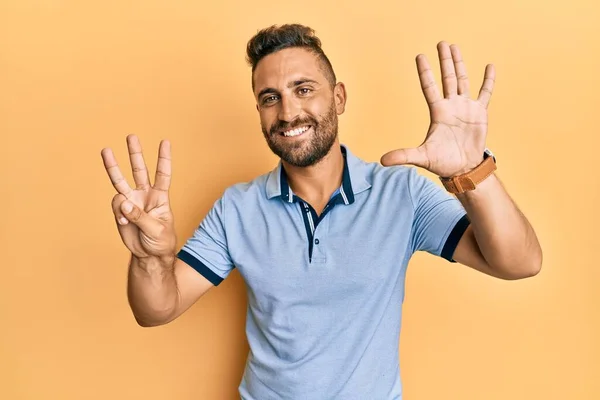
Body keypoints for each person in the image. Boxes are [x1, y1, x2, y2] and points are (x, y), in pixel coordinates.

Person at [101, 24, 542, 400]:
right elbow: (156, 309)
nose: (288, 111)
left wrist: (472, 171)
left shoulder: (400, 194)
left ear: (340, 97)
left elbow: (521, 263)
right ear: (259, 110)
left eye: (304, 89)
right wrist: (149, 258)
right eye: (270, 97)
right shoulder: (237, 208)